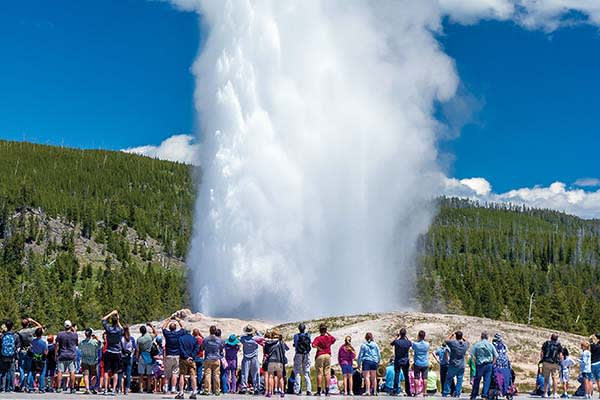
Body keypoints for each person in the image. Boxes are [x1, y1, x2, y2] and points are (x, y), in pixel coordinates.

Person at [162, 314, 187, 394]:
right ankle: (173, 388)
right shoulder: (179, 334)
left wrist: (168, 320)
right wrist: (178, 320)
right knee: (175, 373)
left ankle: (165, 388)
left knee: (166, 373)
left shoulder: (167, 334)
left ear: (169, 328)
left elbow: (163, 327)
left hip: (168, 355)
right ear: (176, 328)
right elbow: (183, 327)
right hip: (177, 355)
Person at [469, 331, 498, 400]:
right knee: (487, 380)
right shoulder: (490, 345)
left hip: (480, 364)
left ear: (481, 337)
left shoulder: (477, 345)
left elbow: (472, 355)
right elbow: (496, 355)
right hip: (489, 364)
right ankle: (484, 395)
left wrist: (475, 362)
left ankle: (474, 395)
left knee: (477, 380)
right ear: (487, 337)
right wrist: (493, 363)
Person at [101, 309, 124, 395]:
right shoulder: (119, 330)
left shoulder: (109, 329)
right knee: (115, 372)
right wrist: (118, 319)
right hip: (117, 352)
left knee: (106, 371)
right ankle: (114, 389)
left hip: (109, 351)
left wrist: (111, 313)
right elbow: (122, 328)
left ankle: (106, 389)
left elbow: (103, 319)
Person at [17, 317, 42, 392]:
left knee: (21, 368)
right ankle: (28, 385)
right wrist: (33, 320)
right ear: (28, 324)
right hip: (30, 351)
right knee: (30, 369)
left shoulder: (19, 332)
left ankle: (21, 385)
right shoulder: (31, 330)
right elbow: (40, 327)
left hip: (22, 350)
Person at [443, 330, 469, 398]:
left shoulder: (453, 343)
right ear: (461, 336)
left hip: (453, 363)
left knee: (449, 378)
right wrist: (462, 337)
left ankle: (446, 392)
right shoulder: (465, 344)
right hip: (461, 364)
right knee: (459, 379)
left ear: (456, 336)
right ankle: (458, 393)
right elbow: (467, 342)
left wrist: (452, 335)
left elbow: (445, 340)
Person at [312, 323, 336, 396]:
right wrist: (327, 332)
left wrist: (318, 348)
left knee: (320, 373)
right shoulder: (329, 338)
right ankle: (327, 391)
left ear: (319, 330)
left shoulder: (318, 338)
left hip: (320, 355)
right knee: (327, 373)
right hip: (328, 355)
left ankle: (319, 391)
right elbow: (334, 339)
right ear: (325, 330)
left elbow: (313, 345)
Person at [264, 329, 289, 398]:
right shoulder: (281, 342)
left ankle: (269, 392)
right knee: (280, 377)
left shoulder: (268, 342)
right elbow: (287, 349)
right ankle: (282, 391)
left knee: (270, 376)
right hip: (279, 361)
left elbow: (266, 351)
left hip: (271, 361)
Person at [176, 327, 200, 399]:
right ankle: (194, 391)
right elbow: (197, 349)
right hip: (192, 360)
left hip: (183, 359)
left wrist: (186, 357)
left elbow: (181, 348)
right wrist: (191, 356)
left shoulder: (181, 338)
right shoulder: (194, 339)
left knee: (182, 375)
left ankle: (181, 392)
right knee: (193, 375)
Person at [240, 325, 264, 395]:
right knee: (255, 373)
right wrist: (257, 331)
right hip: (254, 358)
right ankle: (256, 387)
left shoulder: (243, 338)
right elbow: (262, 338)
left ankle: (244, 387)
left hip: (246, 358)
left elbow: (240, 337)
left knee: (244, 373)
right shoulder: (256, 338)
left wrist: (246, 334)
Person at [55, 320, 78, 394]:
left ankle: (58, 387)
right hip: (71, 355)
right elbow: (76, 343)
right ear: (70, 326)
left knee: (60, 371)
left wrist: (56, 354)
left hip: (62, 354)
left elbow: (57, 345)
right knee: (72, 371)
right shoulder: (74, 335)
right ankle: (72, 387)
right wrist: (74, 331)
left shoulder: (60, 334)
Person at [202, 325, 224, 395]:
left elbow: (202, 348)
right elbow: (221, 349)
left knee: (207, 374)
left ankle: (207, 390)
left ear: (210, 331)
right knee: (216, 375)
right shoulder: (220, 340)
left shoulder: (206, 339)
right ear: (215, 331)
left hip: (208, 358)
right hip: (216, 358)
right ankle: (217, 390)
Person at [358, 332, 381, 396]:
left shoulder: (363, 345)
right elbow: (379, 354)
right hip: (374, 361)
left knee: (367, 377)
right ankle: (375, 391)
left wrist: (359, 363)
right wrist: (378, 361)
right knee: (374, 377)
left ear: (365, 338)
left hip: (366, 361)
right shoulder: (375, 345)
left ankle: (367, 390)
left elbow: (360, 355)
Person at [79, 328, 101, 395]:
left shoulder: (82, 343)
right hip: (93, 361)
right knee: (93, 375)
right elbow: (100, 345)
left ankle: (87, 389)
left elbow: (79, 347)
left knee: (86, 375)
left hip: (85, 360)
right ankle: (93, 388)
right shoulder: (94, 342)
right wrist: (97, 339)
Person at [0, 319, 20, 393]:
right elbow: (18, 347)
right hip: (12, 357)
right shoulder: (15, 336)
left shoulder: (2, 336)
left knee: (3, 372)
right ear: (12, 326)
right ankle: (11, 388)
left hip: (3, 356)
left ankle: (2, 388)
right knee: (11, 372)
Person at [137, 323, 157, 394]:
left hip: (142, 356)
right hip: (149, 356)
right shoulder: (149, 337)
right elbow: (156, 333)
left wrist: (136, 358)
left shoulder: (139, 339)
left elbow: (138, 350)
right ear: (146, 330)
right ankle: (148, 388)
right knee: (149, 375)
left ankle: (141, 388)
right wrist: (151, 326)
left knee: (141, 374)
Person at [391, 328, 412, 397]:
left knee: (397, 375)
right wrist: (406, 337)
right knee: (406, 376)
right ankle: (408, 391)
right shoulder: (408, 342)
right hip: (405, 360)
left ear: (400, 334)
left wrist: (397, 336)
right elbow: (410, 343)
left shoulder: (397, 342)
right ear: (405, 334)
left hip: (398, 360)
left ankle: (395, 390)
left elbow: (391, 343)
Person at [293, 323, 312, 396]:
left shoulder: (296, 336)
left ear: (299, 328)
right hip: (306, 354)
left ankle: (298, 390)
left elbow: (295, 344)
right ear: (304, 328)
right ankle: (309, 390)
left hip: (298, 354)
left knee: (297, 371)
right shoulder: (308, 335)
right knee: (306, 372)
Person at [541, 333, 562, 398]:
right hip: (555, 363)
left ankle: (545, 393)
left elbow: (542, 353)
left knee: (546, 379)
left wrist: (542, 360)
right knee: (555, 378)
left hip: (546, 362)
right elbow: (560, 355)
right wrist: (560, 362)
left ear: (551, 337)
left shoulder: (546, 343)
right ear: (557, 338)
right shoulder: (558, 345)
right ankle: (555, 393)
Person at [119, 325, 136, 395]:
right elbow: (134, 348)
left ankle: (119, 388)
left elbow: (119, 348)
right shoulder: (131, 339)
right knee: (128, 374)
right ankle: (126, 388)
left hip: (122, 357)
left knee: (120, 373)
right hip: (129, 357)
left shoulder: (120, 338)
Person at [412, 330, 430, 397]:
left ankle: (416, 392)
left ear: (419, 336)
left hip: (417, 362)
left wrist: (417, 340)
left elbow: (413, 348)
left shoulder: (415, 344)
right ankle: (425, 392)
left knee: (416, 378)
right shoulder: (427, 344)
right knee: (425, 378)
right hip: (425, 362)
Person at [30, 327, 48, 393]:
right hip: (41, 359)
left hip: (34, 359)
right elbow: (46, 352)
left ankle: (31, 388)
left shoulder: (32, 341)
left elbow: (31, 350)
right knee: (42, 374)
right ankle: (41, 388)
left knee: (32, 373)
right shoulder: (43, 343)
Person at [192, 329, 205, 393]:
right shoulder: (201, 340)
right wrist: (200, 335)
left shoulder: (192, 340)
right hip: (200, 357)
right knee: (199, 374)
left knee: (193, 373)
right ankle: (199, 387)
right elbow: (204, 340)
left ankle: (193, 387)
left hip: (194, 357)